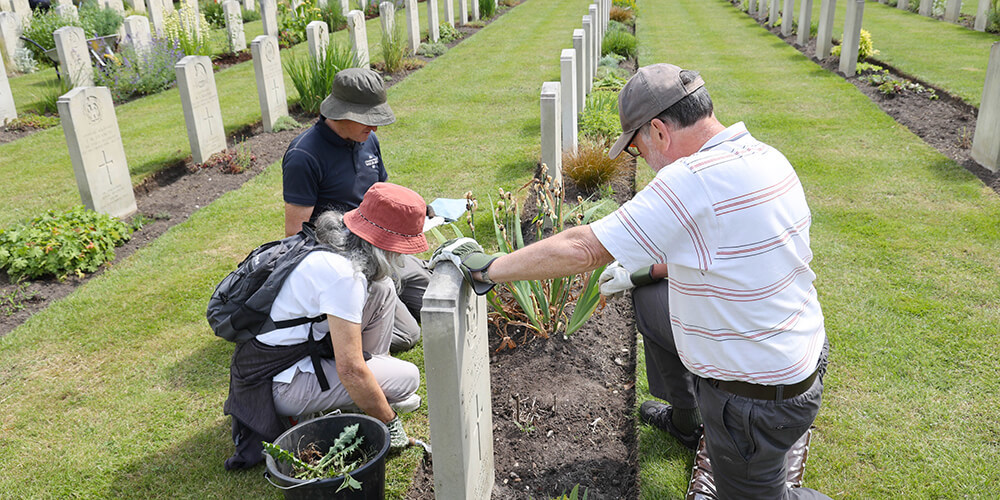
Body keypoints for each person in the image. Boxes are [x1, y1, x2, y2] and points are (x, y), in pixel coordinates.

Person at [432, 64, 830, 499]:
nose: (645, 161)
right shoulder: (765, 156)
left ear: (659, 131)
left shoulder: (691, 181)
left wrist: (488, 268)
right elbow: (723, 254)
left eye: (637, 149)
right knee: (651, 298)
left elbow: (584, 248)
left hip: (755, 399)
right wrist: (639, 274)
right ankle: (686, 419)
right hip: (795, 350)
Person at [224, 182, 425, 470]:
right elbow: (351, 370)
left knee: (382, 288)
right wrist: (390, 423)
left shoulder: (335, 242)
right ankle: (370, 396)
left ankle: (376, 383)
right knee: (408, 377)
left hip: (280, 360)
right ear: (384, 245)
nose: (403, 257)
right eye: (402, 248)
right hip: (276, 385)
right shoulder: (345, 278)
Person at [281, 67, 430, 353]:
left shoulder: (367, 139)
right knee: (407, 333)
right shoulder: (304, 155)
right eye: (368, 120)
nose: (375, 128)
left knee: (436, 301)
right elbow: (295, 234)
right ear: (341, 113)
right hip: (346, 259)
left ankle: (379, 304)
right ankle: (330, 332)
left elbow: (381, 193)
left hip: (382, 245)